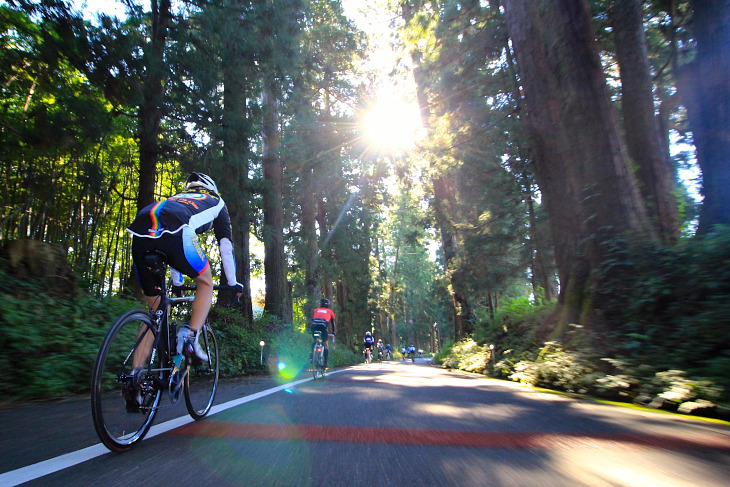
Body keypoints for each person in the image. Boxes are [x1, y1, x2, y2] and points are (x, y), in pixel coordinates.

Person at [125, 172, 243, 410]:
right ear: (212, 188)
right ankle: (190, 337)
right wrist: (233, 283)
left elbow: (170, 249)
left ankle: (134, 377)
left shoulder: (175, 199)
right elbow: (225, 246)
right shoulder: (217, 202)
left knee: (155, 311)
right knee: (206, 283)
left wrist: (177, 285)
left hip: (140, 233)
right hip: (176, 234)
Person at [310, 298, 336, 369]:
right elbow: (332, 323)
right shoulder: (330, 311)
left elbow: (313, 318)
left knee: (315, 340)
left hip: (314, 326)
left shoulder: (316, 310)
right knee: (325, 344)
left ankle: (311, 356)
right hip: (323, 327)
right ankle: (325, 363)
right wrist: (334, 332)